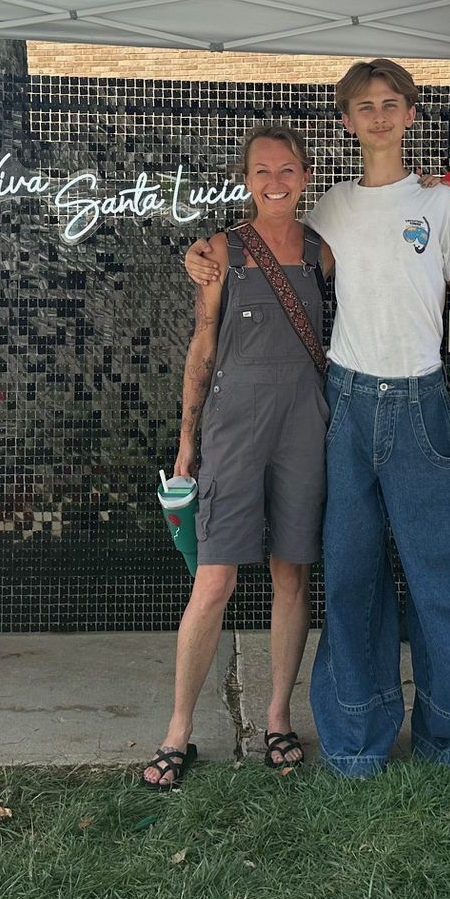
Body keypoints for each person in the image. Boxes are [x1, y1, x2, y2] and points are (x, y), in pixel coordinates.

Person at [187, 59, 450, 781]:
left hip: (425, 403)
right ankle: (354, 740)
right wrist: (202, 255)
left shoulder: (442, 205)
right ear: (346, 120)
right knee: (352, 577)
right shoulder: (327, 210)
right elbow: (261, 239)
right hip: (348, 406)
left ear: (411, 114)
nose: (377, 115)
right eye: (363, 106)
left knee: (443, 577)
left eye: (390, 104)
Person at [143, 123, 332, 789]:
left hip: (304, 428)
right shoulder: (223, 251)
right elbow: (201, 347)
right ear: (246, 180)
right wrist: (188, 441)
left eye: (287, 171)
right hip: (232, 428)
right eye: (262, 171)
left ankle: (279, 716)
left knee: (290, 576)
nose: (275, 182)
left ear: (305, 178)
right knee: (215, 580)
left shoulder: (322, 251)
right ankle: (178, 730)